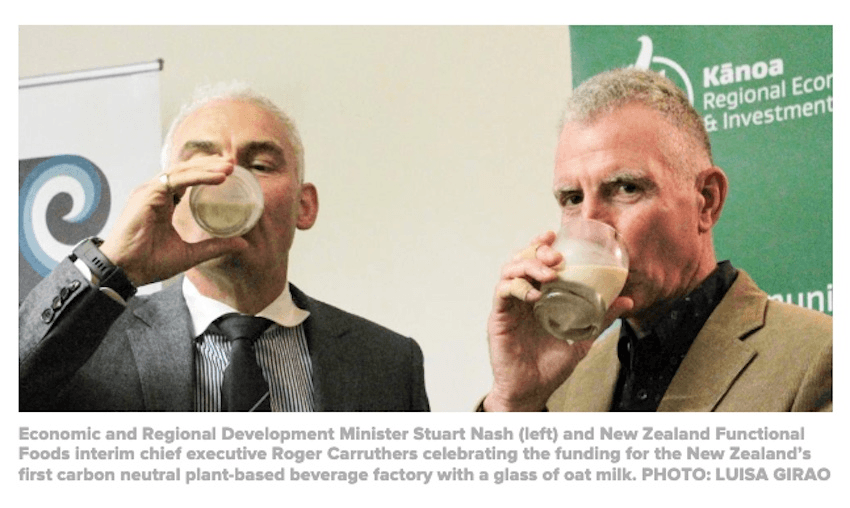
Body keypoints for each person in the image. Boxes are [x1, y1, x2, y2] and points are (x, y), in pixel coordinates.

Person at [19, 82, 429, 412]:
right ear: (169, 200)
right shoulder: (88, 343)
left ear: (304, 206)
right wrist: (109, 264)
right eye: (200, 165)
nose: (227, 182)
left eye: (260, 166)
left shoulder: (388, 362)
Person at [482, 68, 831, 412]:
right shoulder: (563, 378)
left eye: (626, 188)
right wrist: (513, 402)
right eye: (573, 198)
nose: (590, 225)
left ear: (706, 201)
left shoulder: (821, 356)